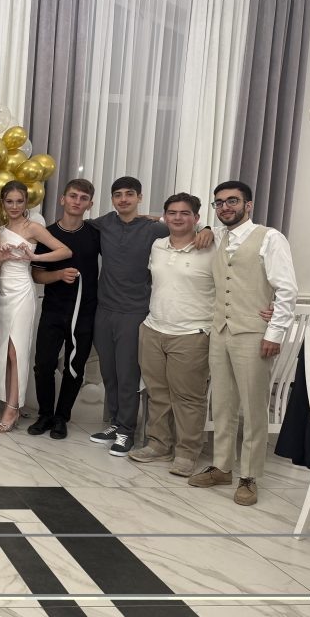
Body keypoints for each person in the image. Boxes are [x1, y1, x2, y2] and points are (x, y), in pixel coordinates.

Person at [86, 177, 212, 456]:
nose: (123, 199)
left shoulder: (155, 228)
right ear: (112, 199)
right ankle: (115, 423)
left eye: (129, 194)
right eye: (118, 194)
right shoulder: (104, 223)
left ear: (139, 197)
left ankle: (127, 431)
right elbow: (77, 226)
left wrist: (208, 229)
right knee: (109, 373)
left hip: (135, 312)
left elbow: (186, 225)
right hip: (104, 310)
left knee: (127, 374)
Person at [189, 181, 297, 506]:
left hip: (254, 333)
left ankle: (249, 476)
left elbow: (287, 289)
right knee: (222, 403)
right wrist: (206, 228)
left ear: (248, 205)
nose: (225, 207)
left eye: (232, 201)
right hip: (220, 330)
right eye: (219, 203)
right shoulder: (218, 237)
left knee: (253, 407)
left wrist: (274, 333)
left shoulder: (270, 238)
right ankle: (222, 467)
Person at [128, 193, 214, 476]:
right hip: (153, 329)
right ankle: (158, 444)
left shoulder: (212, 247)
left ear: (196, 218)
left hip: (191, 333)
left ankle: (187, 453)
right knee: (157, 393)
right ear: (165, 217)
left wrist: (210, 230)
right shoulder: (158, 245)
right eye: (172, 213)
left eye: (185, 213)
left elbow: (237, 236)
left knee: (188, 397)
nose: (178, 218)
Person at [0, 181, 72, 433]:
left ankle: (13, 408)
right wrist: (0, 259)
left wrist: (35, 257)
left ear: (26, 202)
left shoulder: (34, 228)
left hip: (22, 292)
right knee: (4, 352)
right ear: (2, 203)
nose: (14, 206)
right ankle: (10, 400)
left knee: (16, 351)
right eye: (9, 201)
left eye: (19, 201)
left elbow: (65, 251)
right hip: (1, 292)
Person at [27, 179, 100, 440]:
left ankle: (61, 417)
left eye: (83, 198)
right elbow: (37, 275)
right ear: (62, 199)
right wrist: (58, 275)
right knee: (43, 364)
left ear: (90, 204)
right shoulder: (46, 234)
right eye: (73, 196)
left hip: (85, 311)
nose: (77, 201)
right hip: (53, 309)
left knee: (74, 366)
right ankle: (45, 414)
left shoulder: (95, 234)